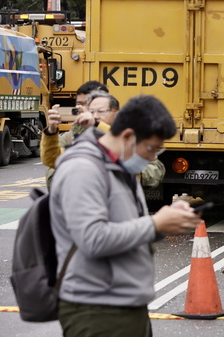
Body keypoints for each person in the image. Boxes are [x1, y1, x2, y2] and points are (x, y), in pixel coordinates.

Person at [50, 95, 202, 337]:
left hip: (127, 305)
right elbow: (92, 239)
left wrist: (163, 224)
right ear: (128, 136)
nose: (152, 157)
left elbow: (127, 230)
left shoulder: (121, 166)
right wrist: (154, 223)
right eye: (151, 148)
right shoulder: (82, 169)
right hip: (98, 311)